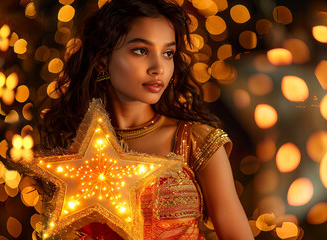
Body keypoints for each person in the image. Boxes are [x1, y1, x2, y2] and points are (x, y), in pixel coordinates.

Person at [37, 0, 254, 239]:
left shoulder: (195, 141)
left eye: (168, 53)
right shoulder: (72, 156)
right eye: (141, 50)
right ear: (102, 60)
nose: (158, 68)